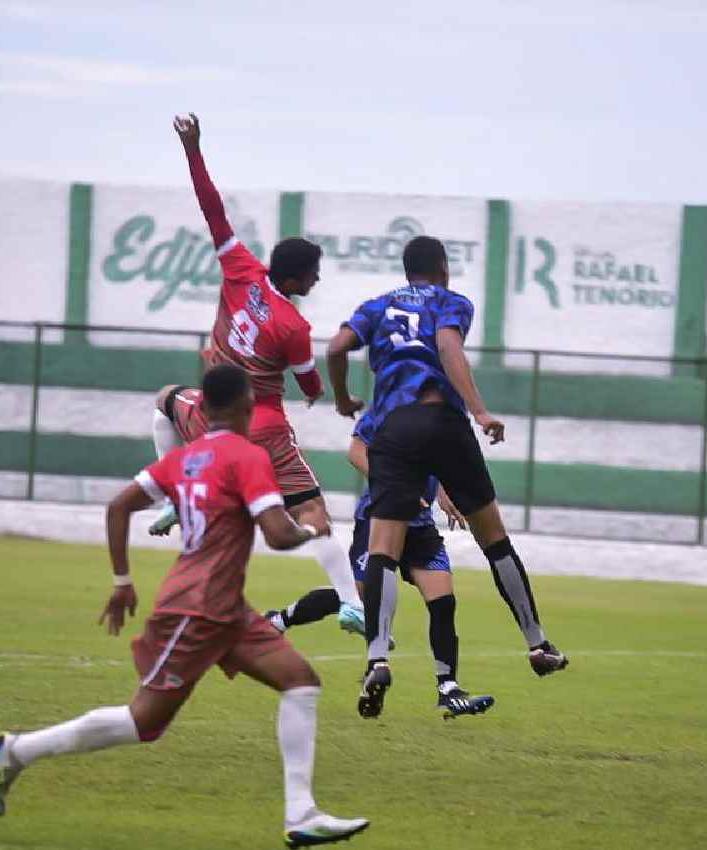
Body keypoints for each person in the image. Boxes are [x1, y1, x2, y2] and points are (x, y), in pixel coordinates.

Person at [0, 365, 370, 849]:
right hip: (197, 609)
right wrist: (312, 531)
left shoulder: (186, 457)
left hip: (226, 609)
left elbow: (119, 506)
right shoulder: (249, 456)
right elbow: (277, 533)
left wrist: (123, 581)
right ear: (250, 406)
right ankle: (16, 751)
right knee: (142, 721)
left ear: (204, 408)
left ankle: (301, 814)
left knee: (300, 681)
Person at [326, 235, 569, 719]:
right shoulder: (451, 302)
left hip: (393, 429)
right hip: (443, 421)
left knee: (383, 550)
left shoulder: (376, 306)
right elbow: (446, 343)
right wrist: (479, 412)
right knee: (494, 539)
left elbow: (336, 347)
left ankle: (377, 657)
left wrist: (342, 397)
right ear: (442, 268)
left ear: (406, 268)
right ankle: (537, 643)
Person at [147, 113, 364, 637]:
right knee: (311, 509)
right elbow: (309, 383)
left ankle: (176, 491)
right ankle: (351, 602)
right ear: (295, 278)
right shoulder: (293, 324)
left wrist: (193, 151)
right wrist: (319, 395)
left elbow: (211, 207)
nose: (316, 280)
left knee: (163, 403)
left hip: (208, 415)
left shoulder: (239, 266)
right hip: (262, 429)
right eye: (313, 274)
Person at [265, 412, 494, 719]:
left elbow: (436, 460)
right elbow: (356, 452)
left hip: (420, 524)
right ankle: (279, 621)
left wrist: (442, 491)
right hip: (380, 516)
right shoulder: (387, 405)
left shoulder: (440, 409)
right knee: (353, 597)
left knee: (443, 601)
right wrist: (397, 487)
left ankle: (448, 690)